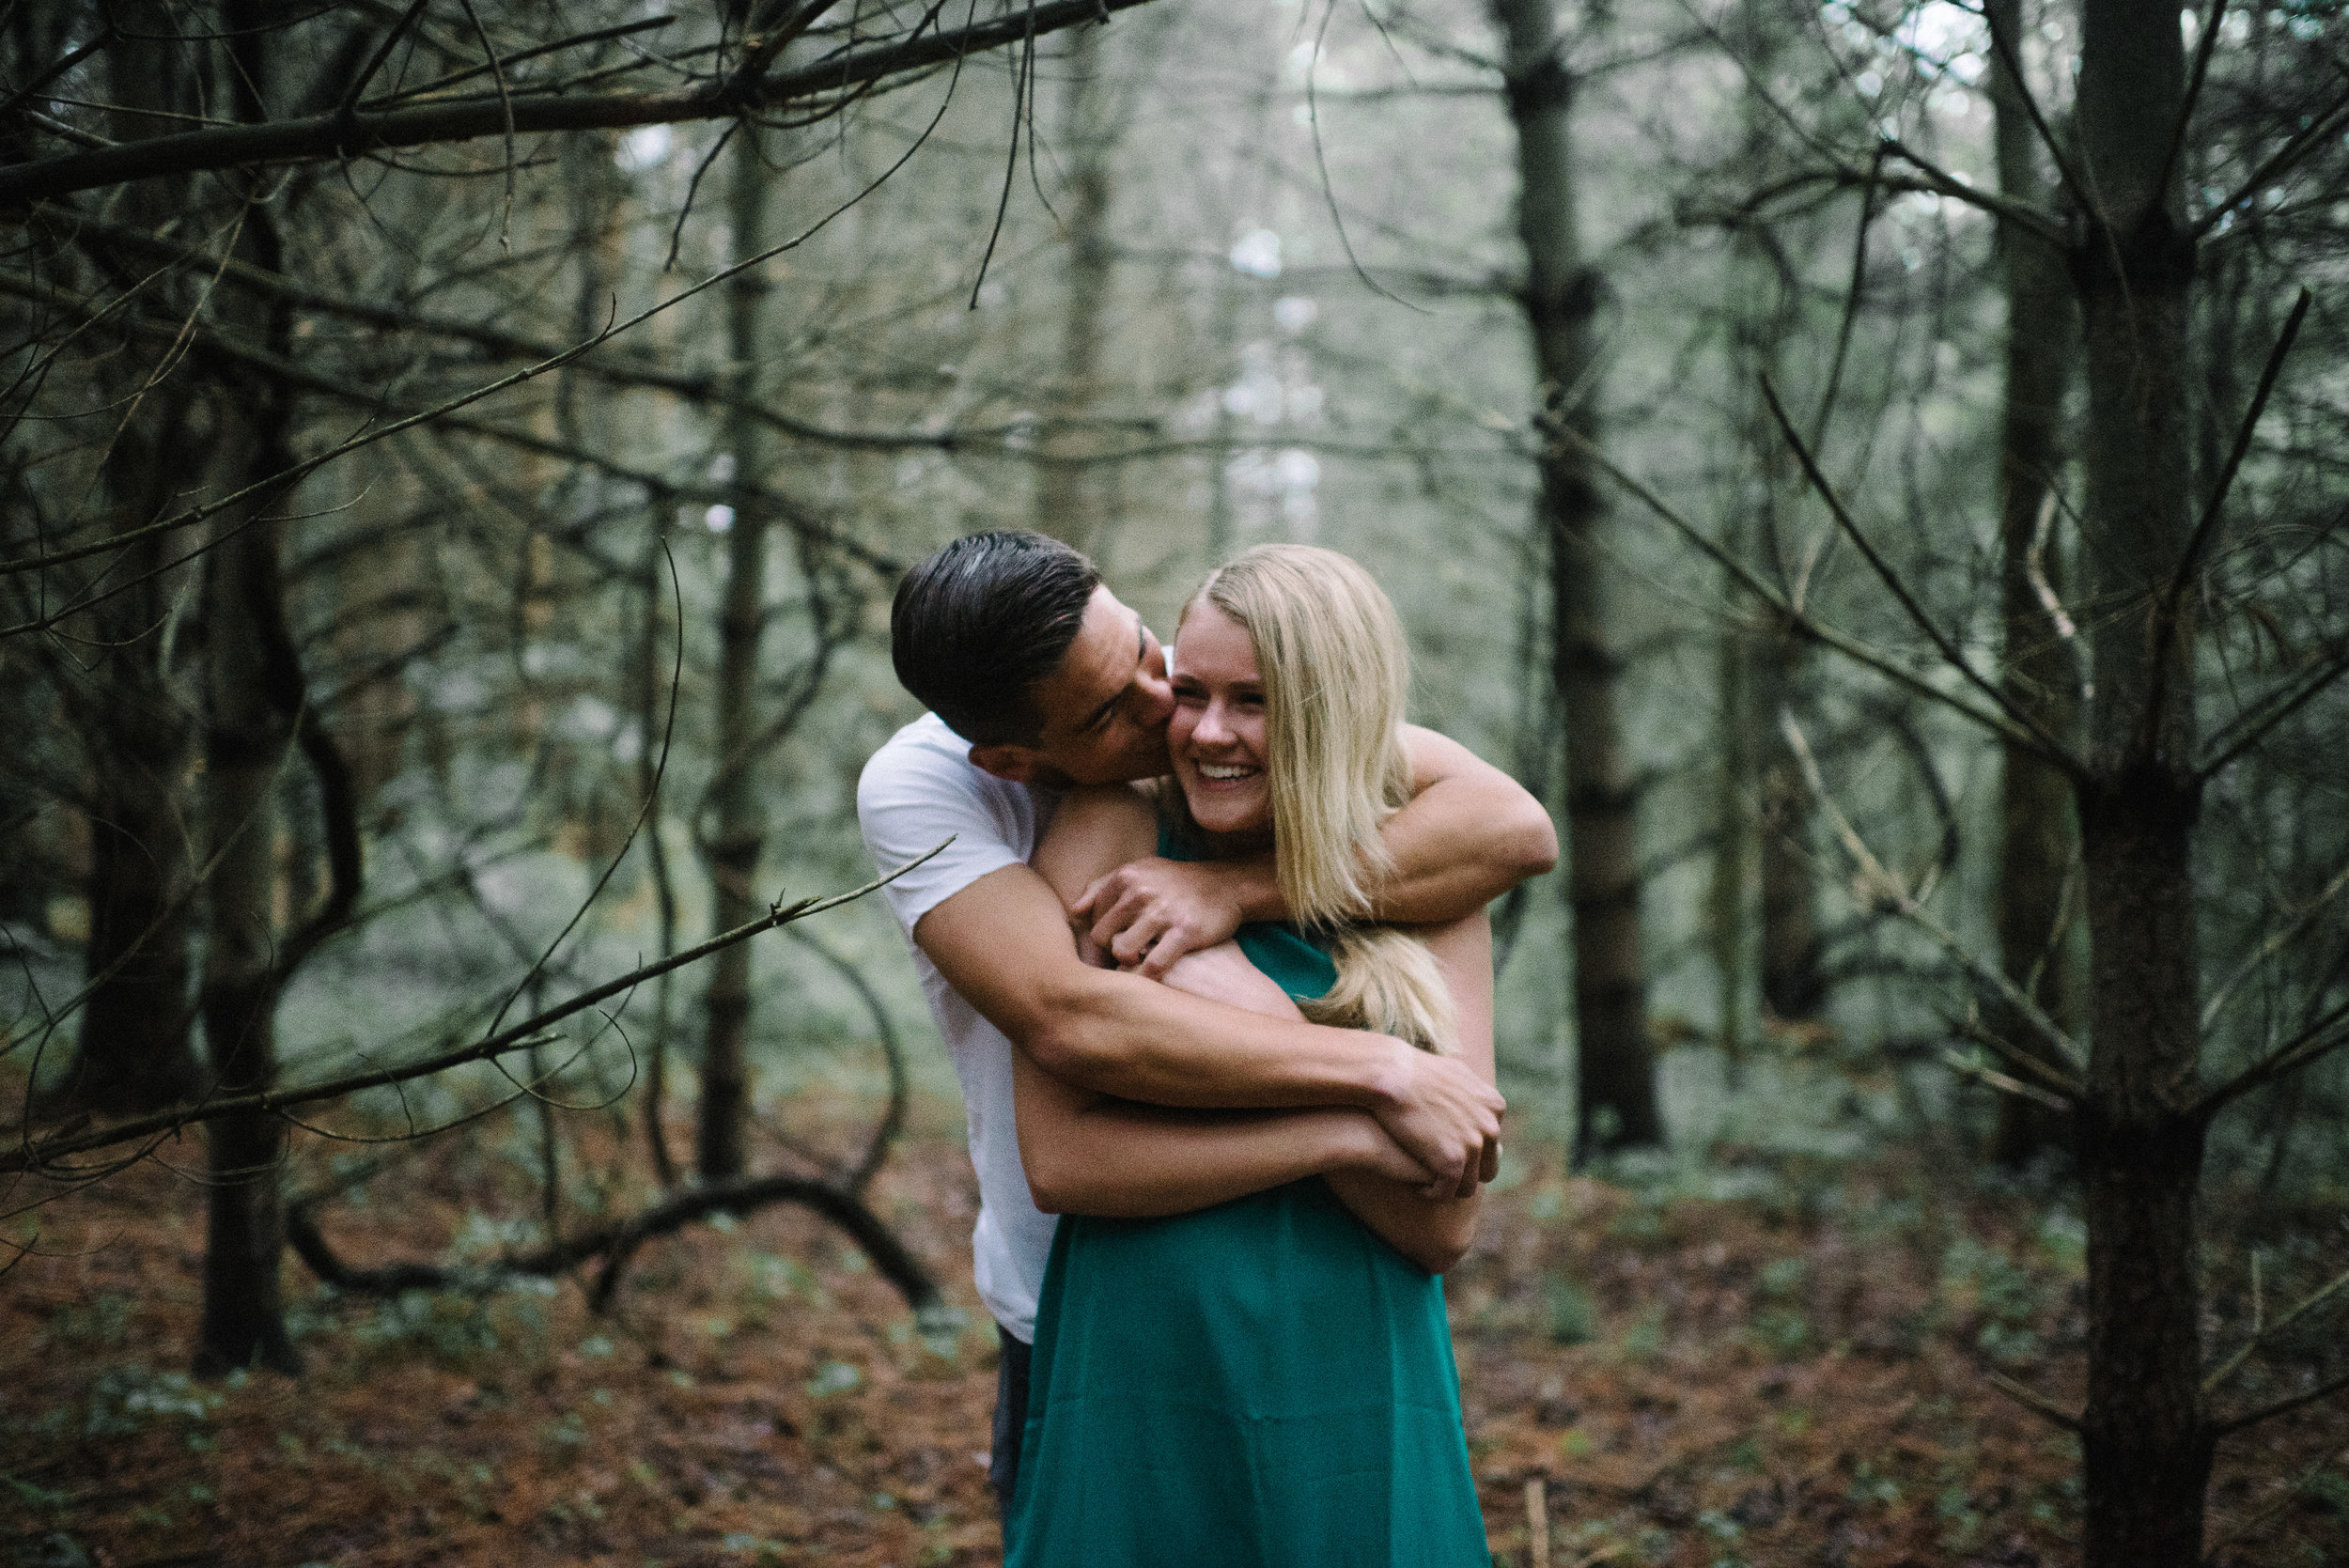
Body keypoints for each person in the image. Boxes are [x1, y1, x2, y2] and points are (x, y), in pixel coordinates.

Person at [854, 530, 1554, 1524]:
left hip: (1348, 1348)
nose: (1177, 714)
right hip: (1102, 1319)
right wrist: (1368, 1088)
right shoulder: (1035, 812)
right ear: (1015, 761)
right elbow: (1068, 1039)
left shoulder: (1428, 857)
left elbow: (1521, 829)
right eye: (1126, 704)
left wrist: (1234, 894)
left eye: (1156, 660)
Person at [1002, 542, 1495, 1565]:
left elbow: (1444, 1221)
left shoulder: (1434, 888)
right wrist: (1353, 1118)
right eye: (1189, 692)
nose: (1209, 732)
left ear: (1330, 709)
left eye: (1255, 700)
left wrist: (1242, 990)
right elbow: (1064, 1162)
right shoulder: (1111, 832)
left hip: (1354, 1373)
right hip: (1143, 1367)